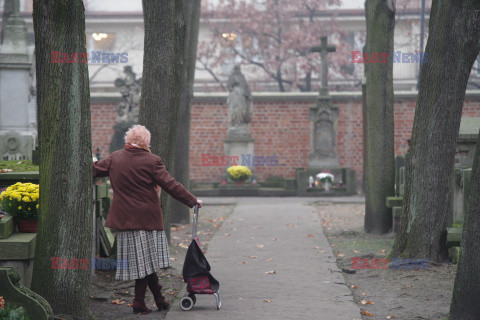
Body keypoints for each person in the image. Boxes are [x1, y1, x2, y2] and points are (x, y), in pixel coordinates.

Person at [93, 125, 203, 314]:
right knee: (145, 262)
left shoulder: (114, 158)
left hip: (125, 220)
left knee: (146, 261)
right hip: (147, 219)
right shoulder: (152, 161)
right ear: (146, 142)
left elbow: (94, 170)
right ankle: (138, 303)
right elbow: (170, 185)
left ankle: (159, 299)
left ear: (128, 140)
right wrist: (192, 201)